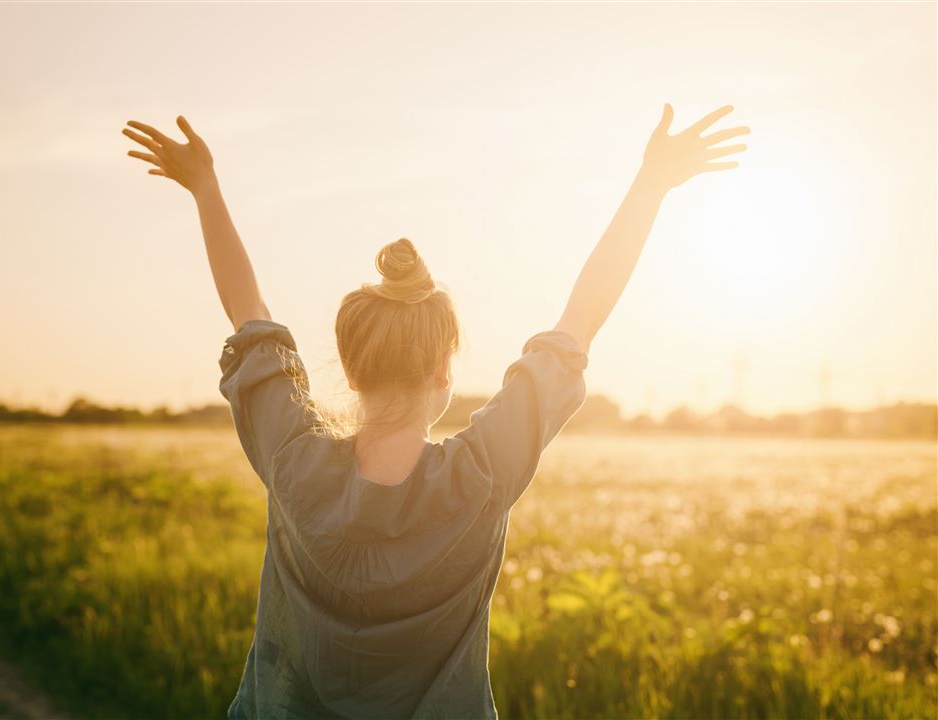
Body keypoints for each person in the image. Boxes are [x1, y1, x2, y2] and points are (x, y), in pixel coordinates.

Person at [122, 104, 748, 719]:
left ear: (351, 365)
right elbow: (580, 321)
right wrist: (652, 184)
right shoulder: (479, 474)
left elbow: (248, 315)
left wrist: (204, 188)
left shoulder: (294, 460)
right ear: (445, 373)